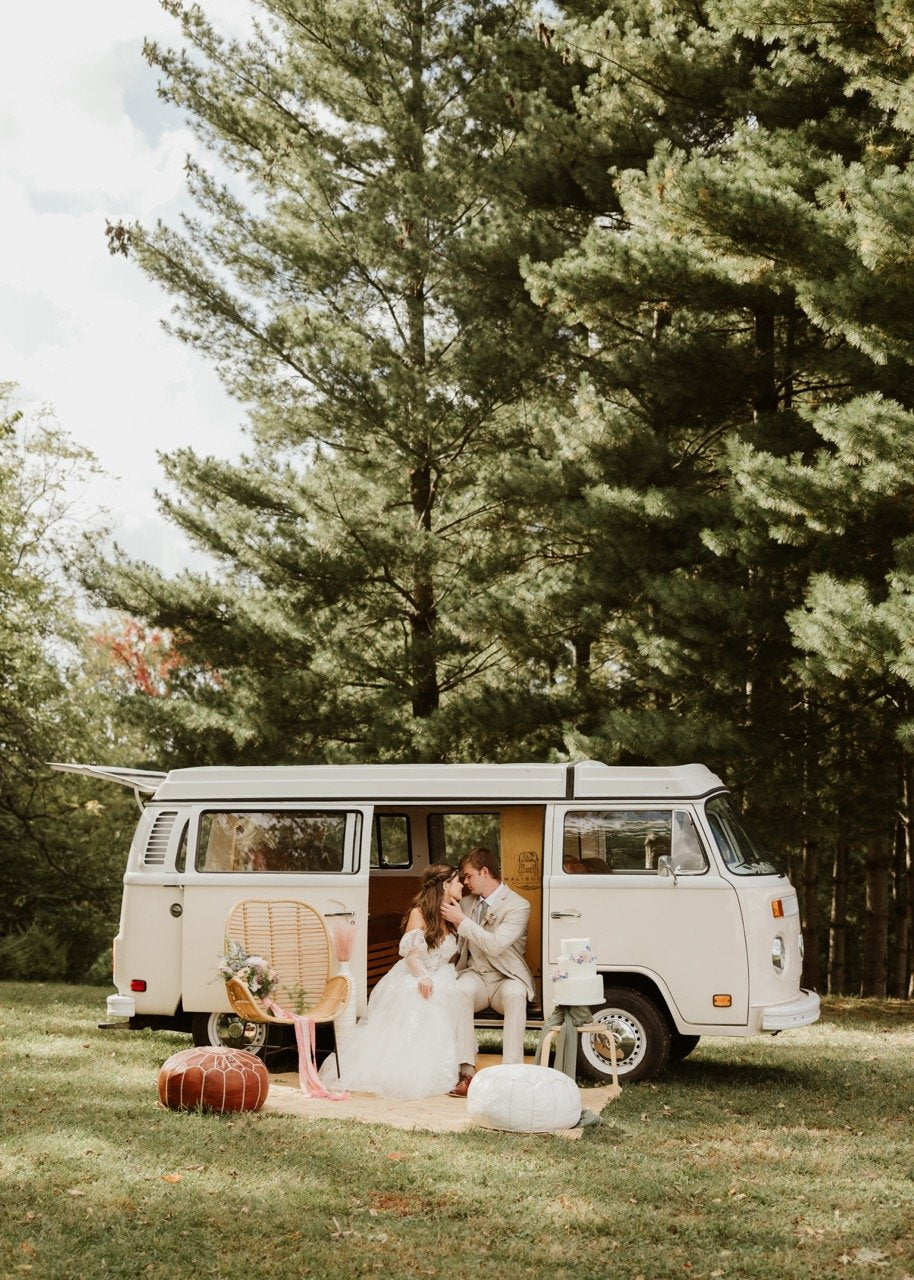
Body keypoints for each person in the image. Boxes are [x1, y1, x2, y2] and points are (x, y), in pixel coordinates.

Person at [319, 865, 463, 1100]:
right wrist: (422, 976)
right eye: (457, 881)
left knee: (452, 996)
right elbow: (411, 954)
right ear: (445, 885)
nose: (462, 885)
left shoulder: (453, 914)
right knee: (421, 998)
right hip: (418, 972)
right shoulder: (420, 913)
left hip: (443, 974)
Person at [440, 845, 534, 1098]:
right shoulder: (466, 902)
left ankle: (511, 1073)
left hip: (507, 977)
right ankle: (466, 1073)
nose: (465, 881)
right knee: (460, 990)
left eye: (468, 876)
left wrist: (461, 921)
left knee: (516, 996)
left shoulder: (518, 905)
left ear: (484, 872)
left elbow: (495, 945)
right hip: (476, 975)